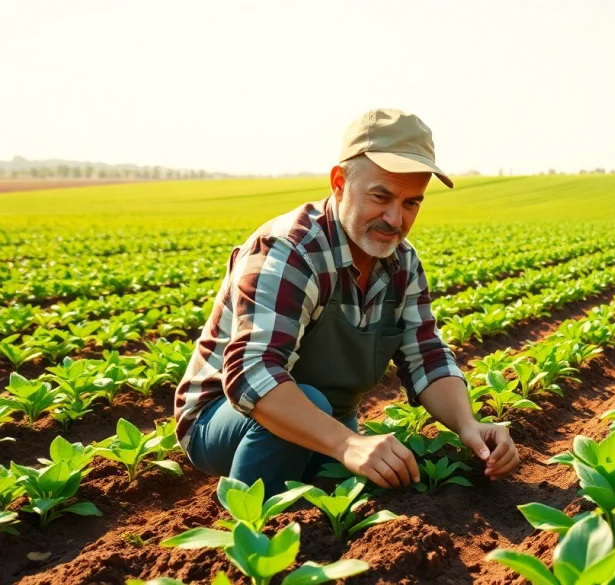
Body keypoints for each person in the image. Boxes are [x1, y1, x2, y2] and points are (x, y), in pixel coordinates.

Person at [172, 108, 520, 495]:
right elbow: (252, 373)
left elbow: (425, 353)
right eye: (381, 196)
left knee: (380, 486)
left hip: (328, 421)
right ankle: (254, 520)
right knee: (314, 408)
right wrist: (347, 444)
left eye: (411, 203)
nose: (395, 219)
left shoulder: (403, 262)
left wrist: (468, 424)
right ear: (339, 183)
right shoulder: (290, 250)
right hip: (221, 418)